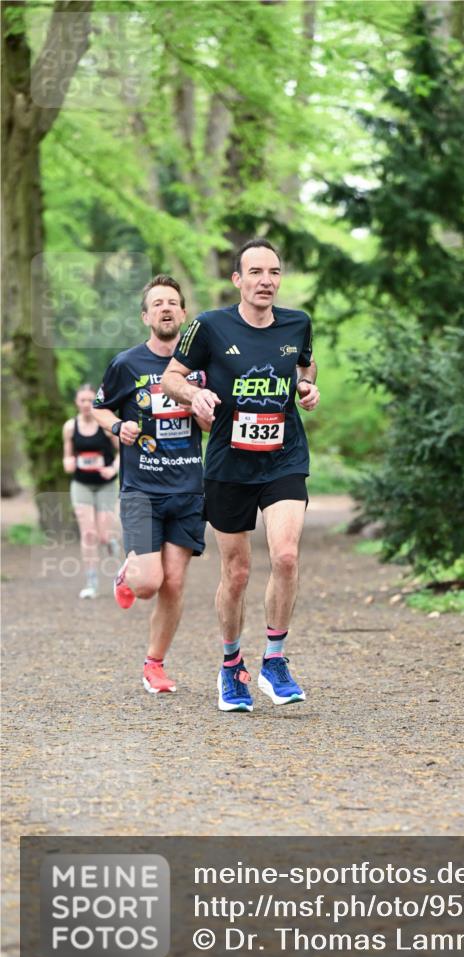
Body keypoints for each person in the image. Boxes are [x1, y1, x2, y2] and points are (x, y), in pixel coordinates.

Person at [162, 239, 320, 713]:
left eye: (273, 272)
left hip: (283, 456)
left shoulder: (297, 323)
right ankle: (231, 666)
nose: (265, 280)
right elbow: (172, 376)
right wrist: (194, 397)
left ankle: (274, 658)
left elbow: (305, 369)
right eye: (255, 272)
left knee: (287, 556)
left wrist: (309, 388)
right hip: (230, 463)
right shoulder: (209, 326)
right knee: (237, 572)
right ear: (238, 280)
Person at [93, 275, 210, 695]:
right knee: (148, 585)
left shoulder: (199, 368)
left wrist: (203, 412)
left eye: (172, 303)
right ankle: (129, 574)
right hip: (142, 490)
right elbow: (100, 409)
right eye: (157, 303)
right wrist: (119, 425)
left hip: (187, 489)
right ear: (146, 316)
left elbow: (209, 420)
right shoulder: (127, 364)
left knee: (174, 583)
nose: (165, 308)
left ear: (182, 314)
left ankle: (154, 664)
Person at [62, 384, 120, 599]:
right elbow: (67, 454)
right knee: (88, 534)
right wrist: (68, 462)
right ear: (76, 403)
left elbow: (123, 452)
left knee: (103, 535)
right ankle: (92, 583)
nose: (86, 404)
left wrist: (112, 468)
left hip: (105, 484)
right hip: (81, 484)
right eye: (82, 400)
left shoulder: (105, 425)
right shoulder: (70, 427)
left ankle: (111, 543)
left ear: (95, 401)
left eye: (90, 400)